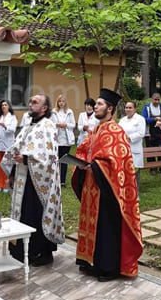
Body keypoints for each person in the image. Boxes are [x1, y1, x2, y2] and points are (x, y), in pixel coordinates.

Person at [73, 88, 142, 282]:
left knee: (105, 226)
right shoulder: (96, 129)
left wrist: (93, 166)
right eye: (96, 103)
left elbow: (116, 162)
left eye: (100, 104)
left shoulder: (115, 130)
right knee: (91, 224)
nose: (96, 106)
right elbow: (85, 149)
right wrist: (79, 161)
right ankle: (89, 262)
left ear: (110, 108)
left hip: (108, 188)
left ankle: (108, 267)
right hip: (90, 185)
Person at [1, 94, 65, 267]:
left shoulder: (48, 126)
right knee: (22, 214)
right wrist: (13, 170)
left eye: (35, 102)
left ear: (44, 108)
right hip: (23, 177)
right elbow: (18, 146)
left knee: (35, 214)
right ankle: (20, 250)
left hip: (39, 182)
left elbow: (49, 156)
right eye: (30, 101)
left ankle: (41, 252)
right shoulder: (29, 125)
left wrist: (27, 159)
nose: (30, 104)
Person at [0, 100, 18, 193]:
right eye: (2, 105)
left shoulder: (12, 117)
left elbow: (12, 129)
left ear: (9, 106)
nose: (3, 106)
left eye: (5, 105)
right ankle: (0, 185)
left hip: (8, 144)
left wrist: (4, 125)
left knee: (7, 165)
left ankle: (7, 185)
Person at [119, 101, 145, 190]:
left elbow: (141, 133)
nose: (128, 109)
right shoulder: (122, 120)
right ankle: (125, 190)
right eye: (126, 107)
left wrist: (129, 137)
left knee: (134, 172)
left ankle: (135, 191)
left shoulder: (140, 119)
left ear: (135, 109)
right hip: (123, 149)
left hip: (134, 148)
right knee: (124, 171)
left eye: (130, 108)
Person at [52, 95, 76, 187]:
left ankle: (62, 181)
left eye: (63, 101)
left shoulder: (69, 112)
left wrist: (66, 125)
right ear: (57, 102)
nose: (61, 103)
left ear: (65, 102)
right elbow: (50, 124)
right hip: (57, 140)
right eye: (59, 101)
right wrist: (57, 124)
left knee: (64, 160)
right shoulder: (54, 112)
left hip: (66, 140)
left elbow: (73, 125)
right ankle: (56, 180)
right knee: (56, 160)